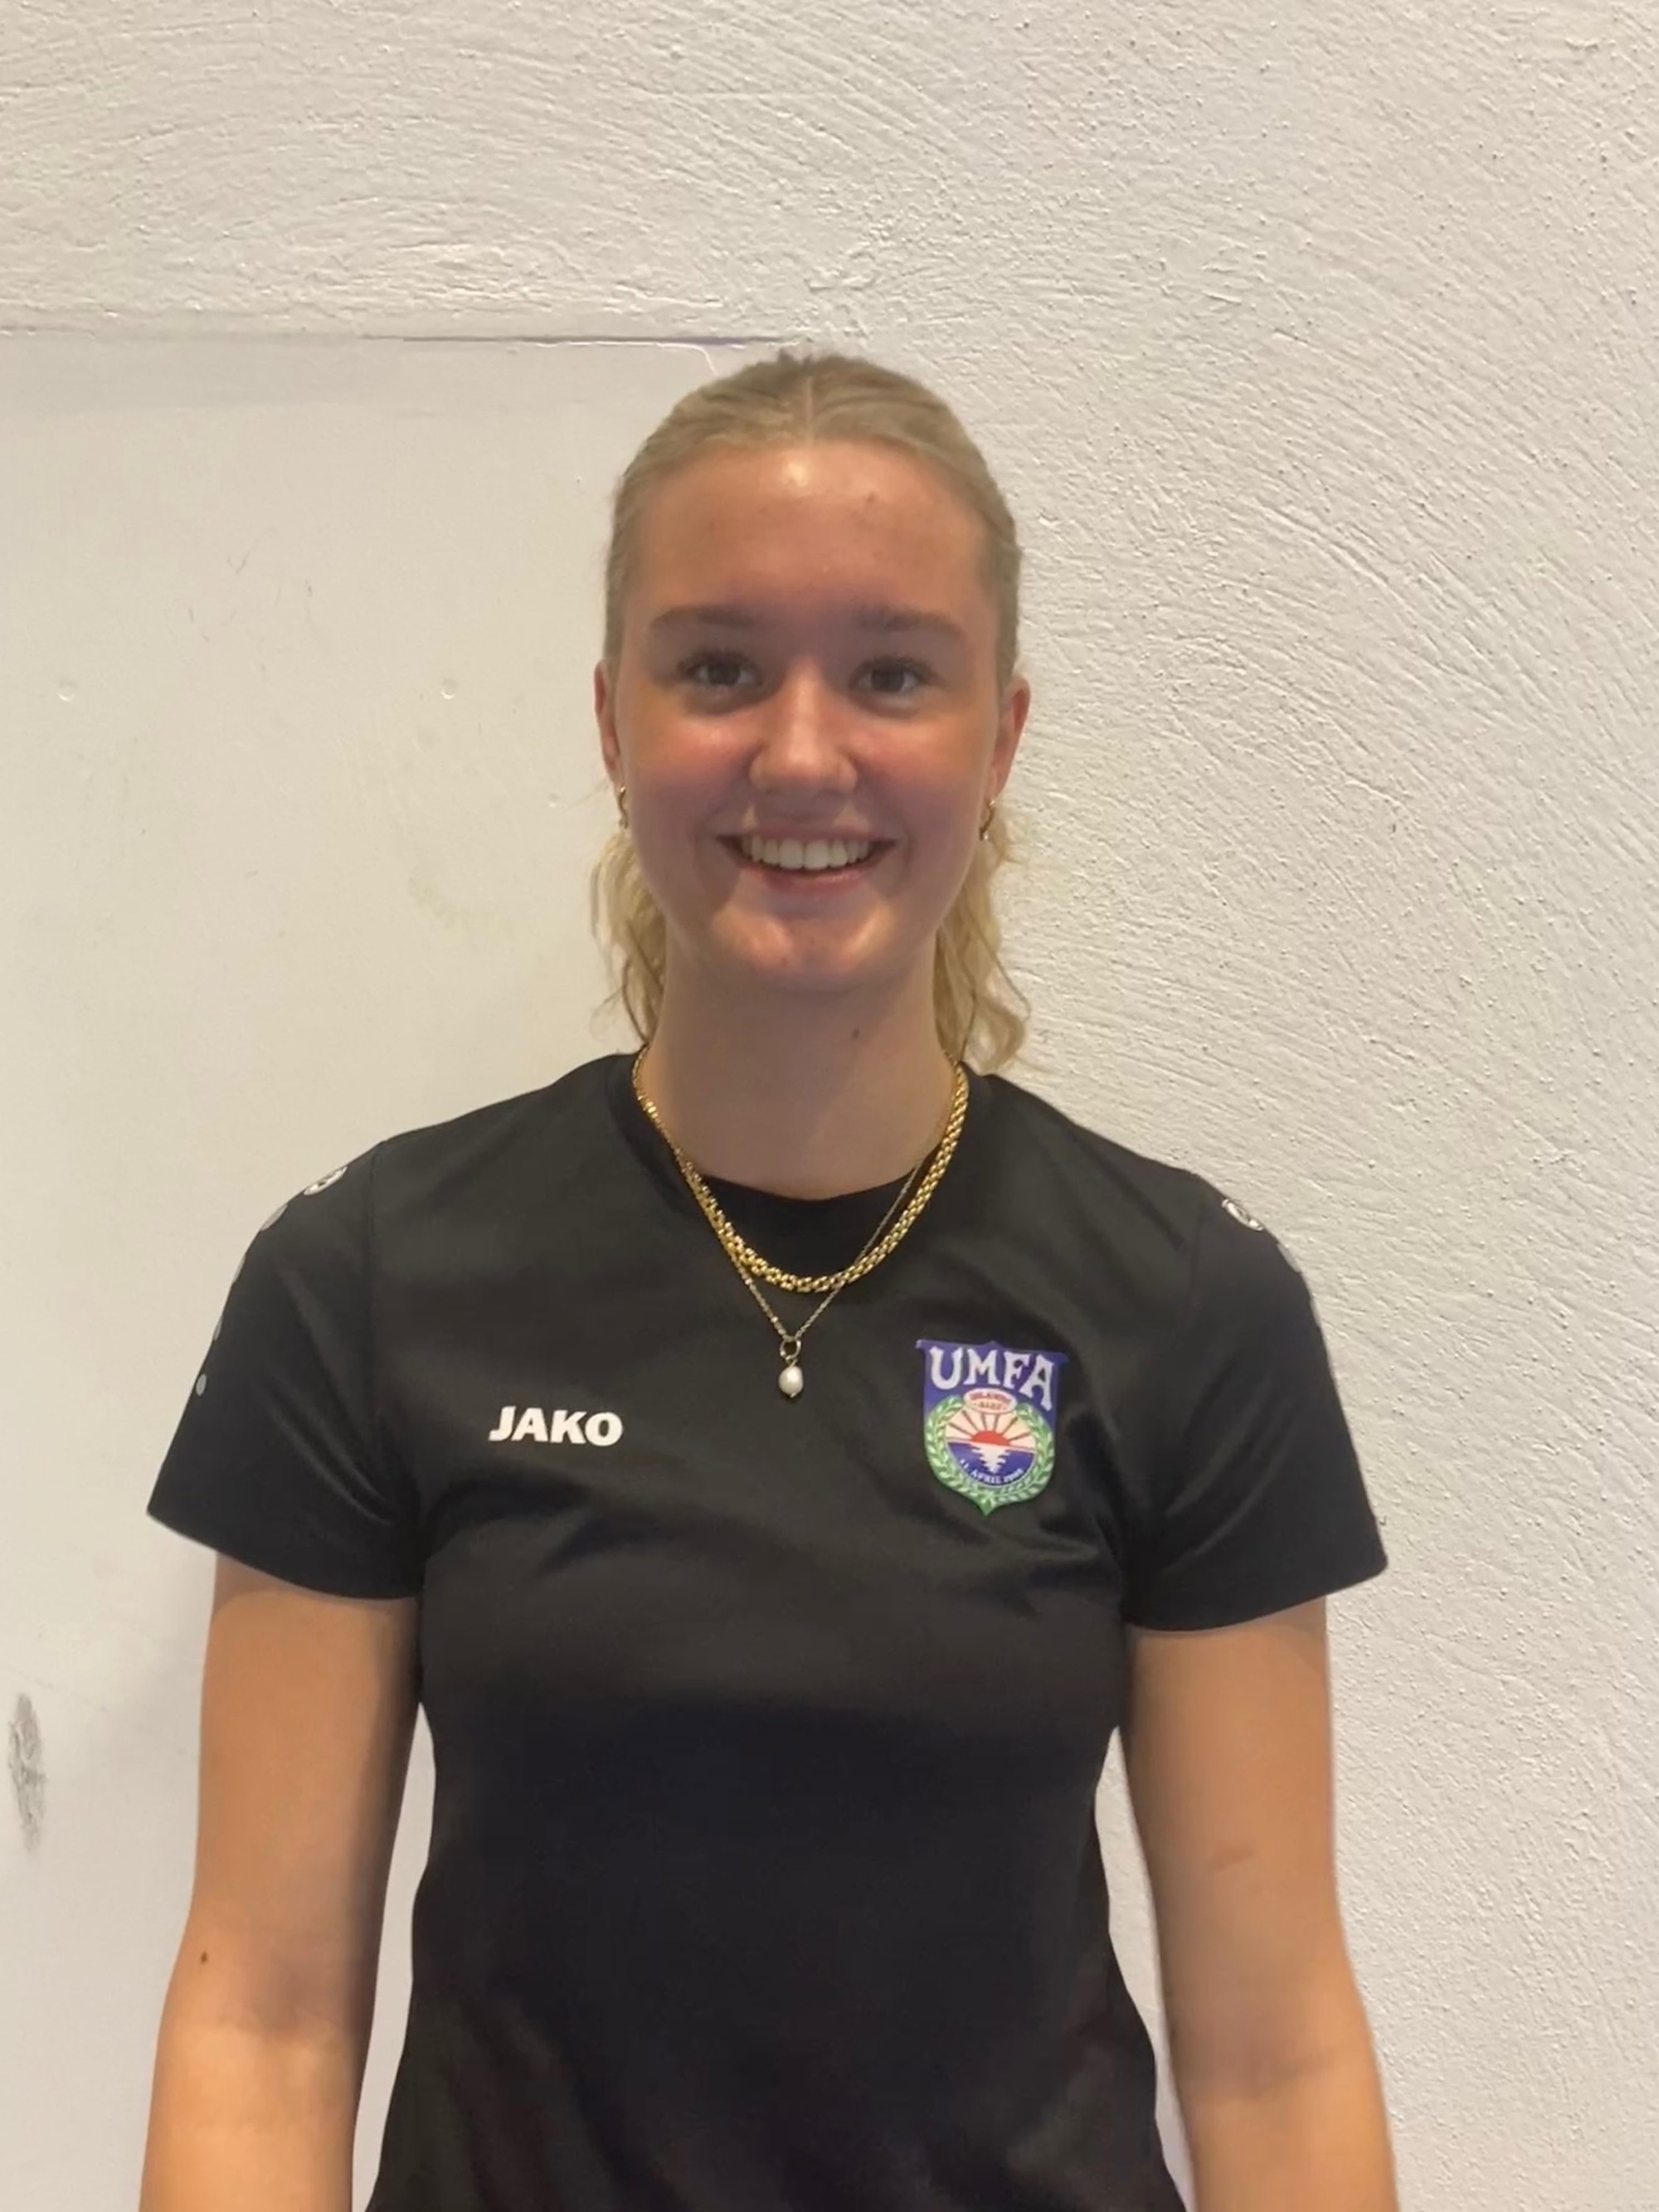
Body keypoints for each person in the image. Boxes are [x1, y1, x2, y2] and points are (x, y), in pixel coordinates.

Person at [139, 348, 1399, 2212]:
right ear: (611, 716)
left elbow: (1275, 2053)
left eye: (891, 672)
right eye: (719, 667)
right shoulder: (375, 1279)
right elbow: (262, 2023)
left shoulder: (1188, 1305)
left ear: (1000, 734)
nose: (803, 754)